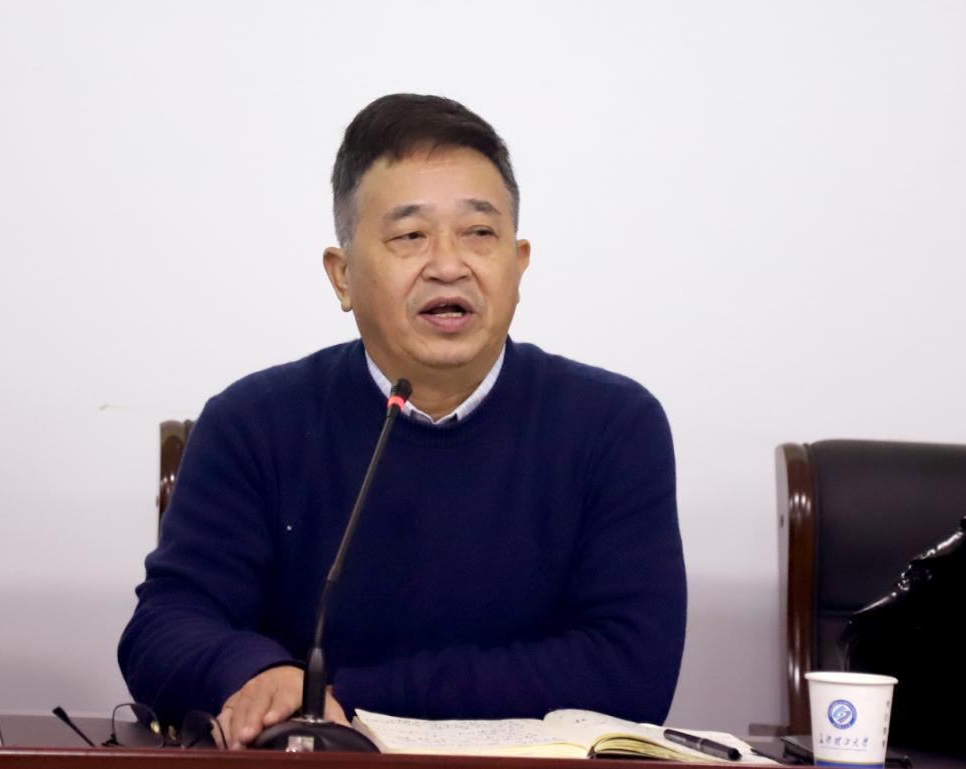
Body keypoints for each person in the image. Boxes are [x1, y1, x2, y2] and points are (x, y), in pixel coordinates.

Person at [118, 93, 686, 750]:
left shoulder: (613, 427)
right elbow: (163, 627)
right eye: (410, 236)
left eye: (480, 233)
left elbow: (629, 667)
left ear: (519, 264)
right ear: (342, 277)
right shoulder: (254, 423)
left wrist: (337, 696)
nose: (448, 265)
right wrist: (254, 674)